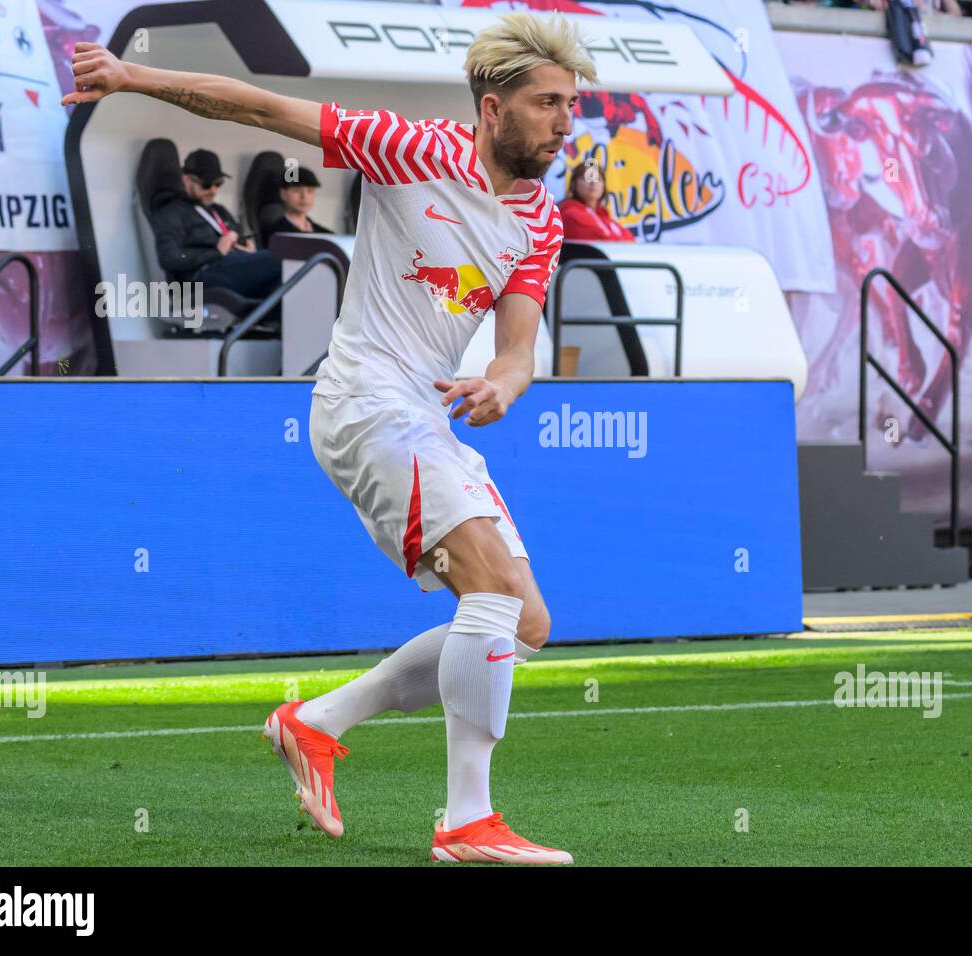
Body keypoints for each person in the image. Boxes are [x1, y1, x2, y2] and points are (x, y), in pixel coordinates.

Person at [64, 11, 593, 865]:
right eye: (547, 103)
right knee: (492, 593)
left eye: (571, 104)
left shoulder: (540, 221)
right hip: (363, 402)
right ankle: (466, 823)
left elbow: (520, 345)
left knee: (522, 621)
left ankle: (316, 721)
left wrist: (502, 381)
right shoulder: (412, 148)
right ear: (492, 110)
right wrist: (136, 79)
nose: (566, 122)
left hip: (425, 416)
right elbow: (256, 108)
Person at [151, 148, 281, 300]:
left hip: (234, 265)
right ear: (186, 180)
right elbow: (169, 257)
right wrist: (216, 252)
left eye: (218, 183)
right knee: (283, 258)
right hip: (206, 274)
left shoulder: (218, 211)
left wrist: (248, 247)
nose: (213, 190)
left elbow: (237, 236)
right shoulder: (172, 213)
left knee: (290, 280)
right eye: (206, 184)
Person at [558, 158, 635, 242]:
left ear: (603, 186)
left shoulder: (603, 215)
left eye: (598, 179)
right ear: (574, 184)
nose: (593, 183)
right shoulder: (570, 213)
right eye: (587, 178)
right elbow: (602, 241)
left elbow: (631, 240)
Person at [260, 166, 333, 248]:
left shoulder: (328, 236)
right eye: (296, 190)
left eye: (310, 191)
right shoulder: (274, 235)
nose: (304, 196)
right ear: (283, 194)